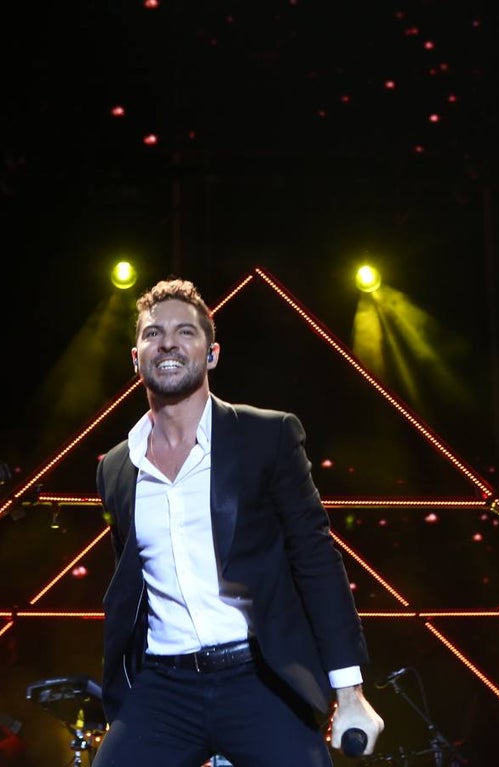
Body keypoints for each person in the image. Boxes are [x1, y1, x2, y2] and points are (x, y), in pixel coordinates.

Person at [92, 278, 384, 767]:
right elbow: (132, 585)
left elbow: (315, 559)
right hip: (165, 687)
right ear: (136, 357)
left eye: (186, 332)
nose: (168, 342)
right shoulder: (117, 467)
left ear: (211, 354)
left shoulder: (265, 436)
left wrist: (349, 691)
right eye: (153, 333)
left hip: (257, 676)